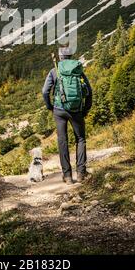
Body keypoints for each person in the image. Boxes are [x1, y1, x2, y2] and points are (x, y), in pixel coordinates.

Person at [42, 47, 92, 184]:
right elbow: (89, 91)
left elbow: (45, 92)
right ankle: (81, 173)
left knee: (62, 141)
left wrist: (50, 106)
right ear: (71, 56)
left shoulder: (54, 71)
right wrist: (85, 110)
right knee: (80, 139)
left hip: (59, 110)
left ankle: (68, 176)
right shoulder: (78, 71)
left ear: (60, 57)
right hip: (76, 110)